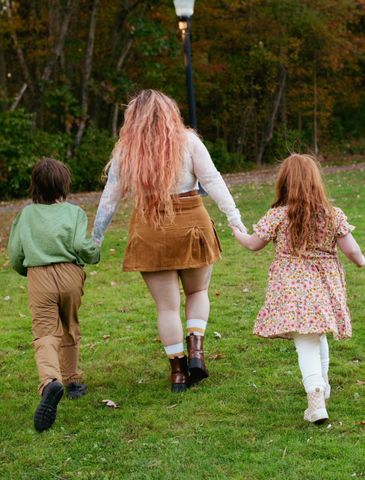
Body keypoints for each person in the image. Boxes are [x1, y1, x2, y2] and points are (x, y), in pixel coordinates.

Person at [92, 89, 246, 392]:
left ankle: (178, 373)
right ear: (170, 112)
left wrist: (96, 240)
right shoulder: (188, 141)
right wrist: (234, 217)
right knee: (198, 291)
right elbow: (212, 179)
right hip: (191, 223)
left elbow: (109, 199)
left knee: (167, 308)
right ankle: (197, 352)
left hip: (150, 229)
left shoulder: (126, 150)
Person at [230, 153, 365, 424]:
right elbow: (352, 251)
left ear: (284, 182)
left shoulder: (277, 216)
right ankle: (322, 388)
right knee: (315, 335)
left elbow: (254, 244)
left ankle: (316, 398)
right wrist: (362, 262)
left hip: (291, 288)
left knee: (307, 341)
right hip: (324, 286)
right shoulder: (332, 215)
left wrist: (238, 232)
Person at [8, 158, 100, 432]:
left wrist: (26, 271)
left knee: (46, 333)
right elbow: (81, 246)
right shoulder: (74, 213)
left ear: (34, 186)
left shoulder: (25, 215)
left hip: (39, 275)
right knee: (69, 325)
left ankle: (50, 381)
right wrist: (93, 254)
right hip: (71, 275)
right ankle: (73, 381)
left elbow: (15, 254)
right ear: (64, 185)